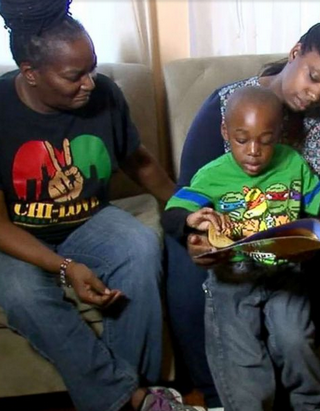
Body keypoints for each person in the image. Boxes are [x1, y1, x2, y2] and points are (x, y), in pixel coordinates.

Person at [0, 1, 199, 410]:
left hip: (87, 221)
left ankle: (131, 396)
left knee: (140, 247)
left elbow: (139, 160)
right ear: (31, 73)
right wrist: (65, 268)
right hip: (18, 234)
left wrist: (186, 203)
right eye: (75, 76)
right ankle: (135, 398)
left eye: (92, 69)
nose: (89, 83)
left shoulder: (105, 94)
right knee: (20, 292)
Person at [163, 19, 320, 410]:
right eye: (313, 77)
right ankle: (219, 394)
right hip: (230, 235)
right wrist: (197, 234)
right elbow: (189, 192)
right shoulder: (230, 104)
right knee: (185, 258)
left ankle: (291, 390)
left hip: (294, 236)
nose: (316, 94)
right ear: (295, 53)